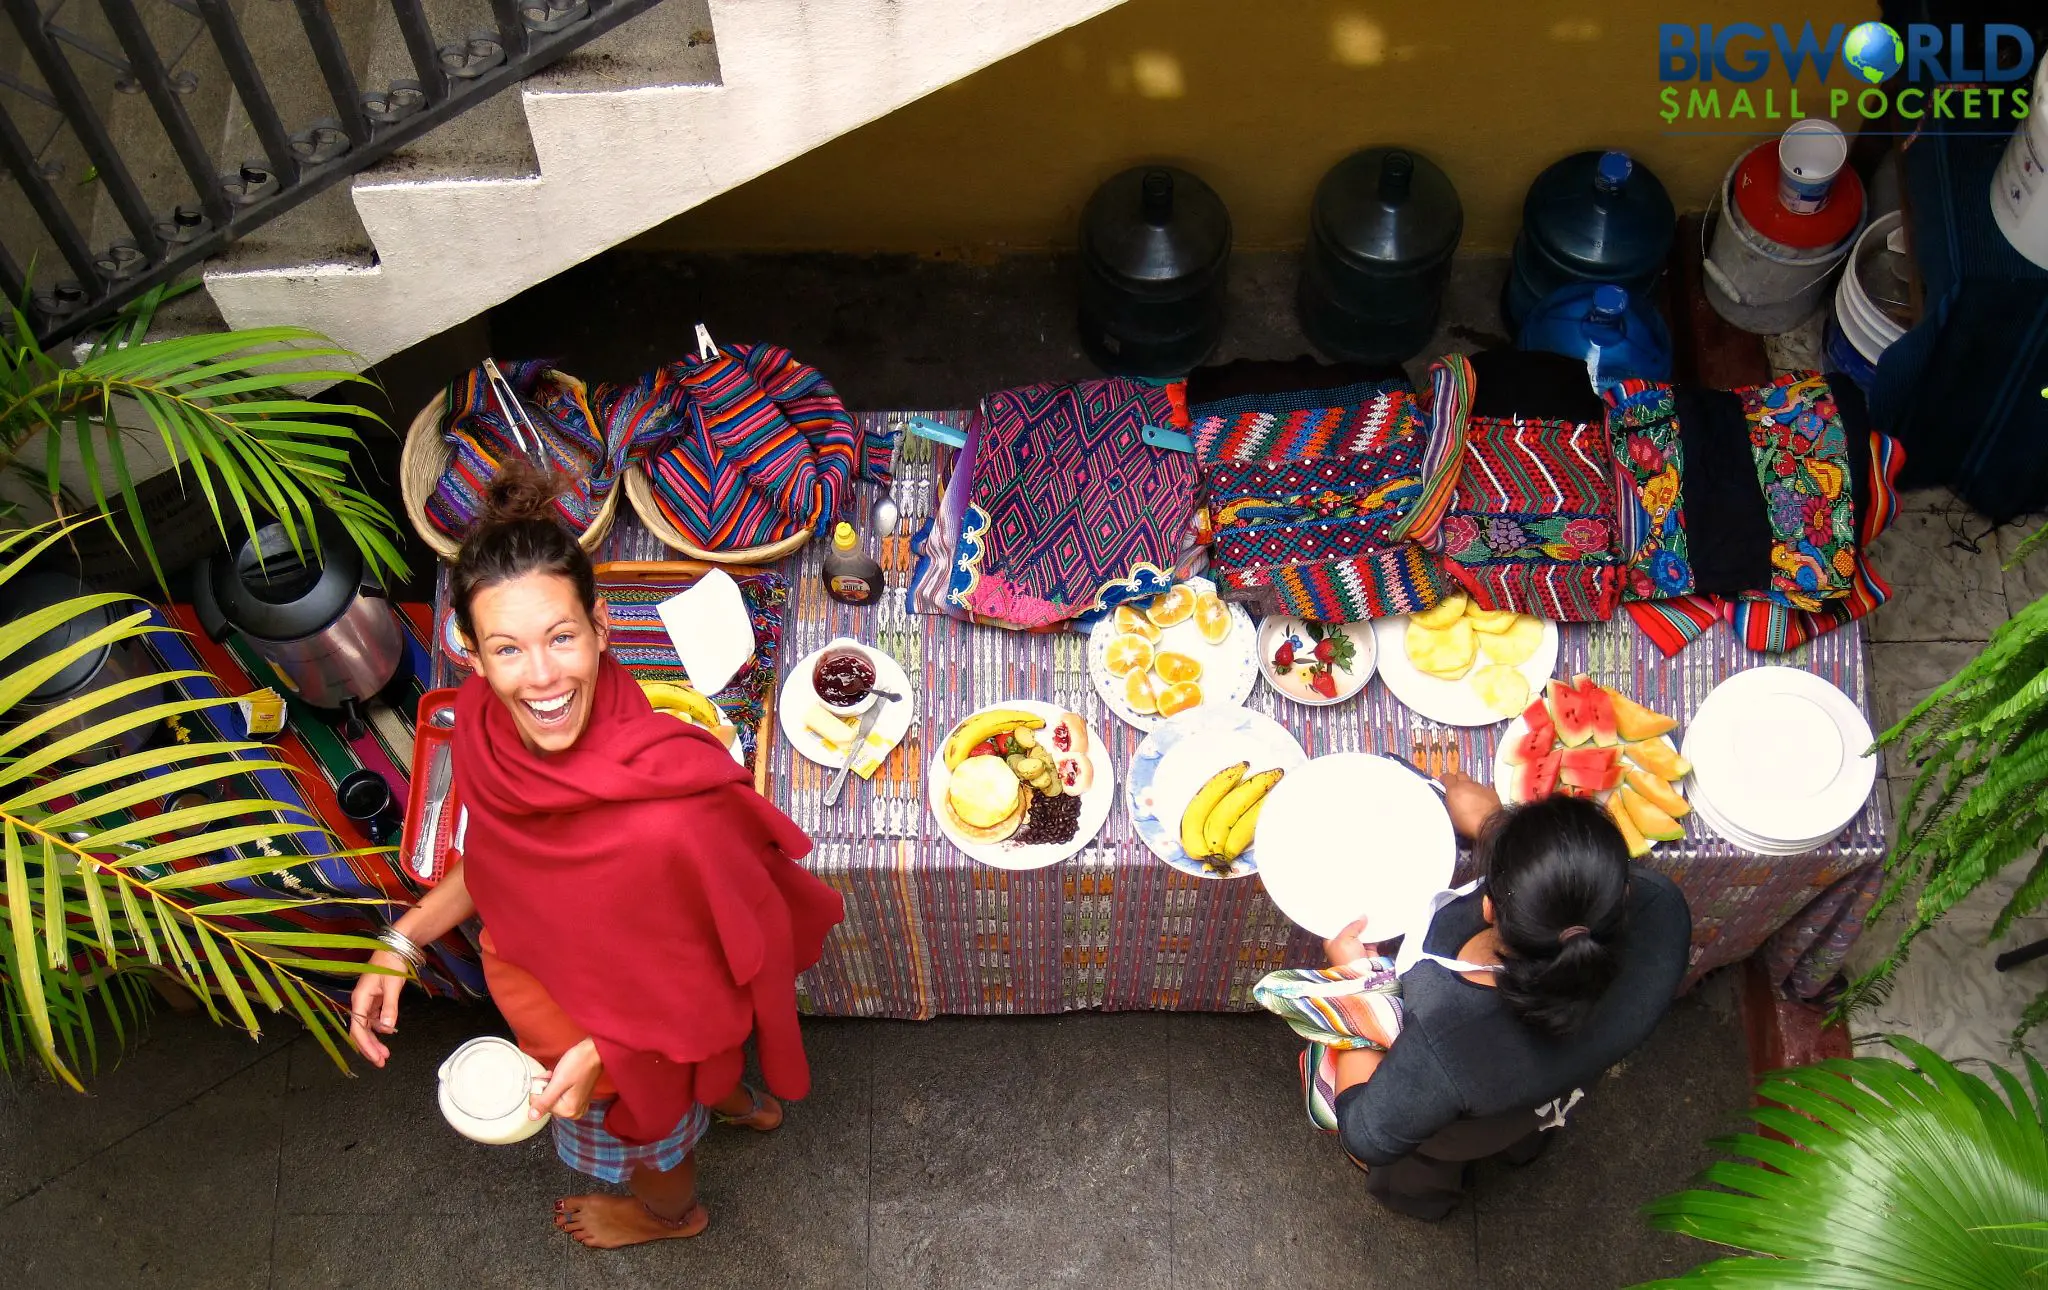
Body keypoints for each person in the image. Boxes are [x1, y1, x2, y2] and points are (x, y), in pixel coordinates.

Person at [348, 463, 844, 1249]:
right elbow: (500, 857)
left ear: (601, 627)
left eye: (562, 637)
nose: (542, 679)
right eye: (508, 649)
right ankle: (739, 1102)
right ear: (472, 654)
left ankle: (671, 1215)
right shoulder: (481, 725)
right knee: (701, 1078)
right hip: (558, 996)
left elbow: (722, 966)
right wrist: (402, 941)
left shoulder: (673, 808)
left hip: (626, 1044)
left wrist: (605, 1050)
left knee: (647, 1143)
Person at [1313, 771, 1692, 1221]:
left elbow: (1365, 1133)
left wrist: (1356, 984)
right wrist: (1494, 825)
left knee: (1418, 1166)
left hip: (1447, 1122)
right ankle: (1522, 1150)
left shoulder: (1448, 1044)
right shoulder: (1662, 907)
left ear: (1489, 908)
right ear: (1622, 890)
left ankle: (1423, 1199)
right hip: (1540, 1095)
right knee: (1517, 1127)